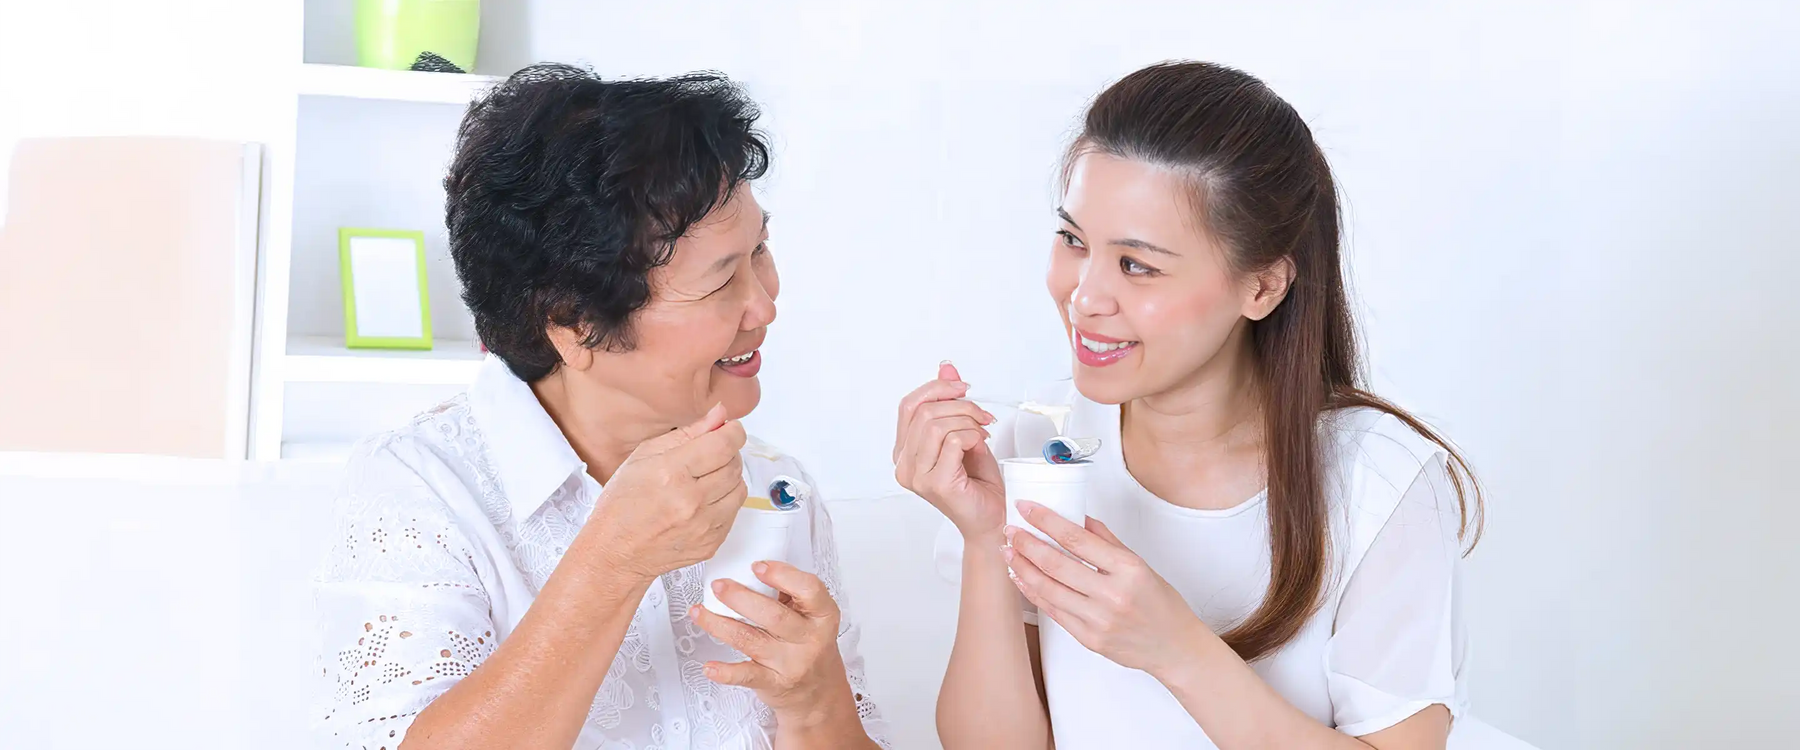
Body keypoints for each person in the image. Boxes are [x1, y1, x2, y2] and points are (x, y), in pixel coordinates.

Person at [896, 61, 1500, 749]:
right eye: (1073, 241)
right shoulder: (1035, 447)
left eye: (1136, 265)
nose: (1083, 296)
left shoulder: (1380, 486)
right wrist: (984, 540)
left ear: (1264, 286)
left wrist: (1177, 649)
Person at [313, 64, 888, 750]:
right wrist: (611, 563)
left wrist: (815, 704)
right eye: (721, 281)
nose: (765, 303)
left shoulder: (776, 488)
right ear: (573, 323)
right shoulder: (421, 491)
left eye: (759, 250)